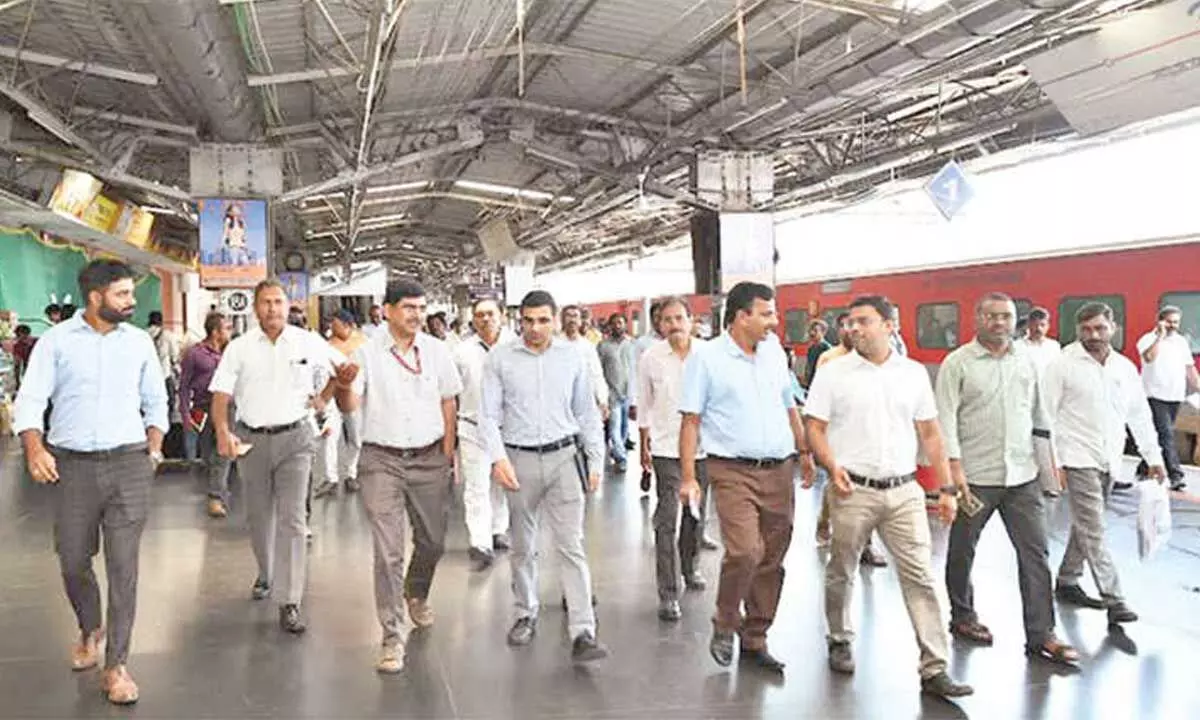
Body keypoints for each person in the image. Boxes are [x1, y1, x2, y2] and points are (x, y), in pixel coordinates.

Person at [12, 259, 169, 705]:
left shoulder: (138, 343)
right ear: (96, 296)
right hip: (73, 467)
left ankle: (117, 664)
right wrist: (34, 447)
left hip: (129, 464)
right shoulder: (56, 343)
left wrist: (154, 447)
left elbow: (156, 400)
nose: (131, 302)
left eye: (131, 294)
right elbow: (32, 398)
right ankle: (89, 627)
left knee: (125, 568)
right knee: (73, 560)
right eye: (122, 295)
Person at [804, 294, 972, 700]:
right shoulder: (833, 373)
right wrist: (831, 465)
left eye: (863, 321)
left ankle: (934, 667)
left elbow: (931, 433)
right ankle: (840, 637)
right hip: (852, 488)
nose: (854, 328)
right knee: (841, 569)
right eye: (850, 322)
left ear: (890, 326)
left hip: (904, 491)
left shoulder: (913, 374)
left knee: (920, 577)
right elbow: (814, 426)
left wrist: (946, 488)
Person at [679, 281, 816, 674]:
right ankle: (725, 621)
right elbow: (691, 420)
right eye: (767, 313)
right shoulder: (706, 359)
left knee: (773, 557)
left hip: (779, 467)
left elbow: (789, 404)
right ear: (741, 316)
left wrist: (804, 451)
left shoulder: (774, 353)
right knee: (744, 551)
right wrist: (689, 477)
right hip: (731, 469)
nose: (775, 321)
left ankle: (756, 636)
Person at [936, 293, 1078, 666]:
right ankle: (963, 616)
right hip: (975, 479)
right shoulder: (958, 364)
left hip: (1022, 476)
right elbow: (945, 420)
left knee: (1035, 554)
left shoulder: (1028, 362)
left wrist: (1053, 462)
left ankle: (1042, 634)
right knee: (962, 550)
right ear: (977, 319)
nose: (1000, 323)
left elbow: (1040, 415)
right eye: (992, 316)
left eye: (1006, 317)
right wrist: (953, 473)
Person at [333, 279, 462, 673]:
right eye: (408, 307)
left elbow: (448, 403)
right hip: (381, 460)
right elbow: (350, 403)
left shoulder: (438, 352)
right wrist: (342, 385)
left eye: (422, 308)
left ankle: (416, 592)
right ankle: (392, 636)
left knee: (434, 541)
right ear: (387, 310)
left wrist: (448, 455)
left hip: (429, 458)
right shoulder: (367, 355)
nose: (417, 315)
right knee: (388, 551)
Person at [209, 279, 346, 634]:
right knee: (258, 518)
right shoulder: (238, 348)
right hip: (252, 441)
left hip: (297, 440)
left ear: (288, 306)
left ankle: (290, 600)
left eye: (278, 302)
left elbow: (342, 369)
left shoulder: (307, 342)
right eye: (266, 302)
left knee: (293, 520)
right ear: (256, 308)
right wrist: (223, 431)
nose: (273, 308)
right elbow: (221, 394)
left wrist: (323, 399)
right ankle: (267, 574)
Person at [480, 290, 608, 663]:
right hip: (518, 461)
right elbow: (488, 415)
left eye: (542, 320)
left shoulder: (574, 358)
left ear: (555, 319)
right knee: (523, 547)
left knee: (571, 545)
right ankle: (525, 612)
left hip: (565, 458)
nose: (535, 328)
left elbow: (586, 413)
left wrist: (596, 460)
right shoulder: (500, 359)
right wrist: (497, 458)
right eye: (528, 321)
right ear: (518, 321)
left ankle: (584, 631)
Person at [1043, 302, 1164, 624]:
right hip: (1076, 457)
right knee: (1094, 528)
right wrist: (1052, 462)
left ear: (1113, 328)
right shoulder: (1062, 365)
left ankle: (1067, 580)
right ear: (1077, 331)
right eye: (1086, 329)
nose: (1093, 335)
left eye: (1099, 328)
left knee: (1085, 525)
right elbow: (1045, 416)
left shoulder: (1124, 368)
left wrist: (1154, 458)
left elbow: (1139, 416)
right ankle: (1116, 599)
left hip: (1109, 460)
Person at [637, 297, 710, 622]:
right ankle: (668, 593)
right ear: (659, 325)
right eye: (667, 319)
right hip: (666, 449)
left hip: (704, 449)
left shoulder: (708, 355)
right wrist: (643, 447)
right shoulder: (651, 358)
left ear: (691, 320)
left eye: (679, 317)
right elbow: (644, 403)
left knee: (695, 515)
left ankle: (690, 566)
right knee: (666, 520)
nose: (674, 324)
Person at [454, 297, 515, 571]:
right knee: (476, 486)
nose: (485, 319)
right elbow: (451, 393)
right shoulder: (461, 351)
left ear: (501, 316)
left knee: (501, 483)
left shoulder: (517, 346)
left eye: (490, 314)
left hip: (508, 428)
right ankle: (480, 543)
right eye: (479, 315)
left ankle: (498, 530)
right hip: (471, 427)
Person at [1133, 306, 1199, 492]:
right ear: (1160, 321)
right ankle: (1176, 476)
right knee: (1166, 434)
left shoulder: (1181, 342)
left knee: (1158, 435)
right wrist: (1159, 337)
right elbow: (1149, 358)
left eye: (1176, 322)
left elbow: (1189, 368)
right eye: (1169, 321)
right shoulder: (1147, 340)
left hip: (1175, 396)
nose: (1173, 325)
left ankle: (1144, 467)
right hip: (1153, 395)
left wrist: (1198, 386)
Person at [179, 312, 235, 518]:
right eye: (226, 328)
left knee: (225, 452)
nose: (230, 332)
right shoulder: (195, 354)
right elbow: (183, 385)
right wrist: (185, 413)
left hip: (227, 407)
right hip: (203, 408)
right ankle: (218, 491)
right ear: (215, 332)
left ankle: (216, 497)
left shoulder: (230, 352)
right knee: (209, 455)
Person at [313, 309, 368, 498]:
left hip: (355, 396)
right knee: (330, 437)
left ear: (347, 325)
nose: (331, 326)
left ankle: (351, 473)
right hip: (332, 395)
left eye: (334, 323)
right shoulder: (327, 346)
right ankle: (331, 478)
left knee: (356, 438)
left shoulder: (362, 343)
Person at [1015, 306, 1062, 496]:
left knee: (1047, 439)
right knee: (1026, 439)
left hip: (1049, 397)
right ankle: (1028, 480)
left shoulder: (1054, 347)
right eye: (1034, 325)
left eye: (1042, 325)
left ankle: (1051, 483)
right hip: (1025, 397)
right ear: (1028, 326)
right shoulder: (1018, 347)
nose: (1038, 329)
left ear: (1048, 326)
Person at [597, 314, 637, 472]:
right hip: (611, 394)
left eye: (620, 322)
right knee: (614, 427)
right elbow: (598, 371)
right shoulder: (603, 346)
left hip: (627, 394)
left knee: (624, 428)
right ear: (610, 326)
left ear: (625, 325)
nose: (617, 326)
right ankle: (621, 458)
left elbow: (635, 370)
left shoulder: (631, 345)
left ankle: (617, 450)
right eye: (614, 323)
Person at [802, 319, 831, 388]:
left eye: (815, 330)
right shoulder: (811, 348)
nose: (812, 333)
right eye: (810, 330)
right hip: (811, 384)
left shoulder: (827, 348)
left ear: (823, 332)